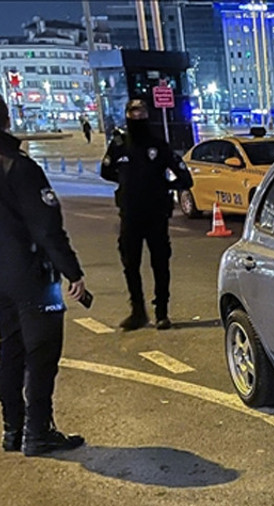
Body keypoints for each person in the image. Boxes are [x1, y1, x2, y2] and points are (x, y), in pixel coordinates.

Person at [0, 89, 89, 456]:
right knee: (41, 355)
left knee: (9, 349)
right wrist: (72, 271)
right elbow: (47, 227)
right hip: (31, 275)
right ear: (7, 119)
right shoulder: (17, 164)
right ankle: (38, 432)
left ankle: (12, 429)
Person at [100, 98, 193, 331]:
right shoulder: (120, 144)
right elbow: (106, 171)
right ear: (127, 115)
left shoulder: (158, 145)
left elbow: (184, 178)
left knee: (160, 263)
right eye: (133, 111)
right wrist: (127, 183)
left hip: (156, 216)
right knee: (130, 265)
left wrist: (160, 186)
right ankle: (138, 312)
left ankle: (162, 312)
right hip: (130, 216)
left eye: (141, 111)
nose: (137, 115)